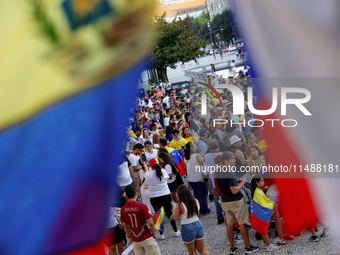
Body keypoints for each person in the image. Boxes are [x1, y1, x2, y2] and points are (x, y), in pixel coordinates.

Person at [215, 152, 259, 254]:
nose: (235, 160)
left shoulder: (218, 170)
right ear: (226, 161)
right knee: (242, 223)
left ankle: (232, 248)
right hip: (236, 201)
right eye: (232, 159)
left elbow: (225, 184)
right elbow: (234, 190)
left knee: (230, 225)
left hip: (225, 202)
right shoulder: (229, 172)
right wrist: (243, 182)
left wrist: (236, 181)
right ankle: (248, 247)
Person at [145, 159, 181, 239]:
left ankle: (161, 234)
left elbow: (149, 183)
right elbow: (167, 179)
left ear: (150, 166)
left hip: (154, 196)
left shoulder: (148, 174)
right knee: (169, 213)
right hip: (165, 194)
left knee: (158, 215)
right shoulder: (163, 171)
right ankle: (176, 231)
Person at [120, 185, 161, 255]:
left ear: (126, 196)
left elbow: (124, 226)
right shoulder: (142, 206)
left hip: (135, 240)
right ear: (136, 193)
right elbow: (150, 222)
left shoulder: (123, 209)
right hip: (146, 237)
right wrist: (154, 233)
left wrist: (129, 237)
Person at [172, 185, 211, 255]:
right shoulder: (196, 201)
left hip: (187, 227)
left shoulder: (180, 205)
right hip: (198, 224)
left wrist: (173, 209)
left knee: (192, 252)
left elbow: (175, 218)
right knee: (202, 248)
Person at [250, 175, 280, 251]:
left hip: (258, 215)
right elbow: (263, 204)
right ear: (257, 183)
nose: (264, 182)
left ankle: (266, 243)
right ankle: (269, 246)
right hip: (261, 215)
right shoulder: (258, 192)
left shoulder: (257, 190)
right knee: (264, 231)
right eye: (262, 181)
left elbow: (263, 202)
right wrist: (272, 204)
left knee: (262, 231)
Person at [184, 142, 211, 215]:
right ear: (192, 148)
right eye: (194, 145)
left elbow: (185, 168)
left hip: (191, 179)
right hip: (199, 178)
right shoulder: (197, 156)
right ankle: (204, 210)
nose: (196, 146)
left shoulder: (186, 157)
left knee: (196, 195)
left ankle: (198, 208)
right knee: (203, 194)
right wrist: (203, 156)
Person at [204, 139, 224, 225]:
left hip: (213, 179)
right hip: (223, 178)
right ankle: (225, 214)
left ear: (209, 147)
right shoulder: (222, 155)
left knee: (217, 198)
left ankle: (220, 217)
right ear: (218, 146)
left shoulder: (206, 156)